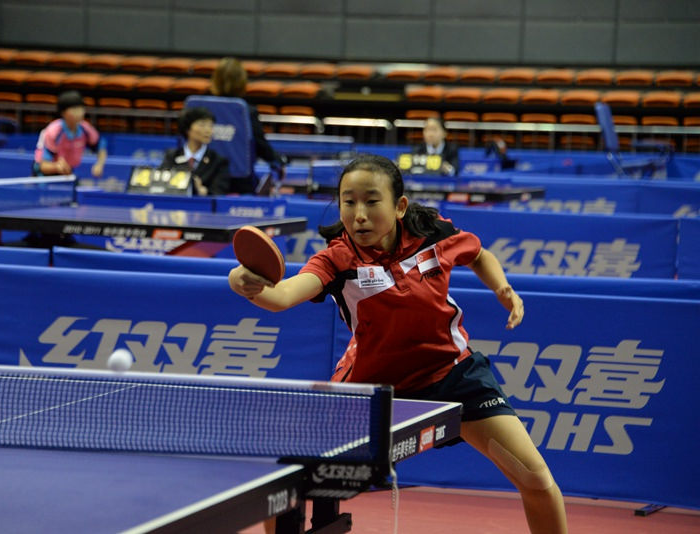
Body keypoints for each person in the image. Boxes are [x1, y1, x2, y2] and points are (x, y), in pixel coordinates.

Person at [228, 154, 568, 534]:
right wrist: (242, 280)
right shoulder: (338, 260)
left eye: (372, 202)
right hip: (374, 389)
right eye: (348, 201)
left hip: (452, 374)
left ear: (399, 205)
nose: (359, 214)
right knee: (290, 480)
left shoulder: (431, 233)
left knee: (535, 478)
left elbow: (479, 254)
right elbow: (282, 297)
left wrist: (502, 287)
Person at [210, 57, 288, 188]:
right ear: (242, 82)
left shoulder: (201, 109)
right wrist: (279, 163)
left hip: (208, 178)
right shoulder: (246, 112)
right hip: (240, 183)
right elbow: (261, 146)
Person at [33, 90, 107, 178]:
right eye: (74, 110)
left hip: (68, 173)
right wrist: (56, 166)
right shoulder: (53, 131)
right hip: (44, 176)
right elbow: (42, 165)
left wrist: (99, 164)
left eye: (81, 109)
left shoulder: (85, 129)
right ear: (63, 113)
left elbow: (101, 146)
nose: (79, 113)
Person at [160, 106, 230, 196]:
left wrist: (203, 191)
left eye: (211, 125)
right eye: (202, 125)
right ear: (188, 129)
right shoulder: (172, 156)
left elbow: (219, 193)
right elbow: (161, 184)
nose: (208, 130)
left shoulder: (218, 161)